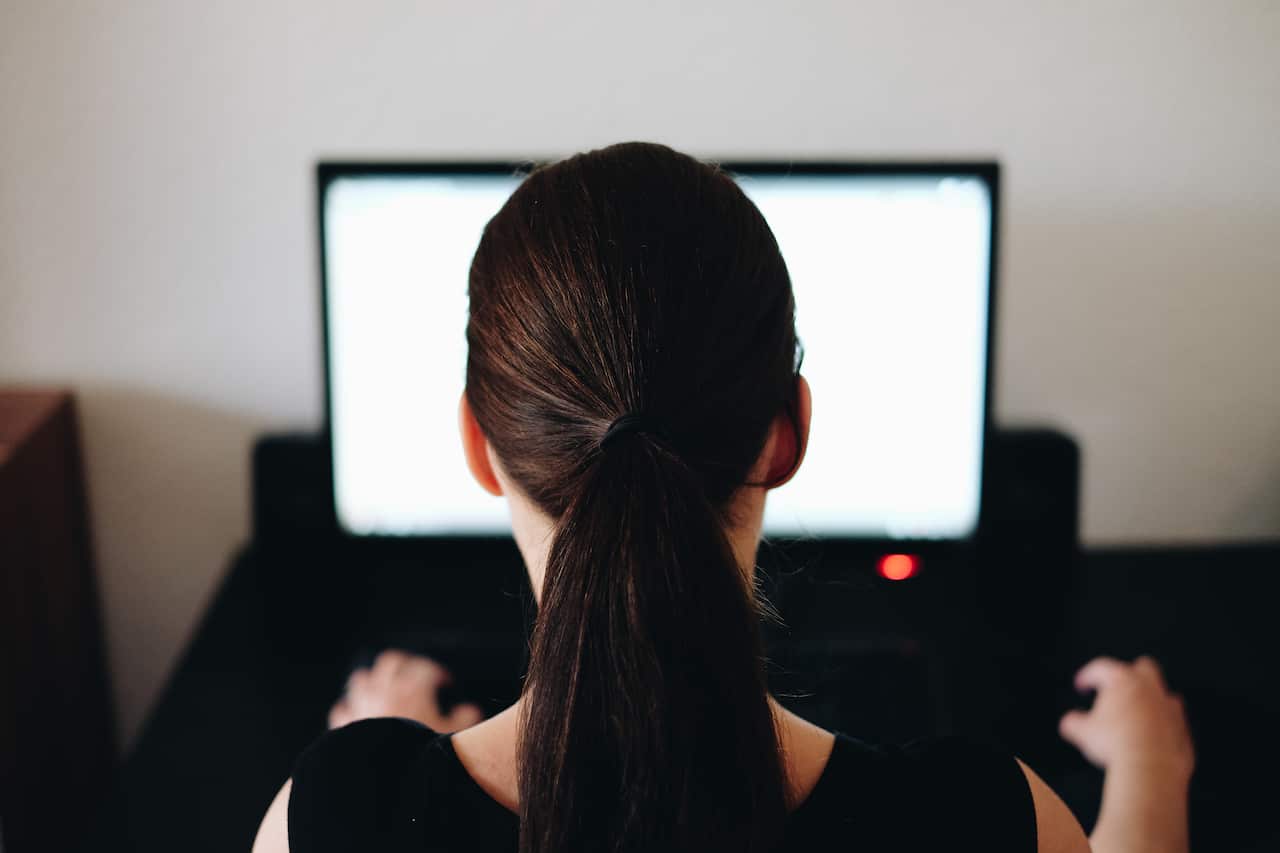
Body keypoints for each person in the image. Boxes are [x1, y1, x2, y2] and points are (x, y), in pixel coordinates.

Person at [254, 142, 1192, 853]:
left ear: (477, 444)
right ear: (789, 431)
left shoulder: (330, 817)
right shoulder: (984, 820)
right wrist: (1152, 765)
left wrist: (400, 768)